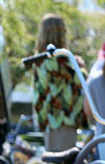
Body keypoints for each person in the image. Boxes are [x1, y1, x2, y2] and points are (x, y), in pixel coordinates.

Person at [32, 14, 87, 152]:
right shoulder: (60, 59)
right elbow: (81, 81)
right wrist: (81, 67)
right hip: (63, 118)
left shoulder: (39, 59)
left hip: (48, 118)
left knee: (54, 162)